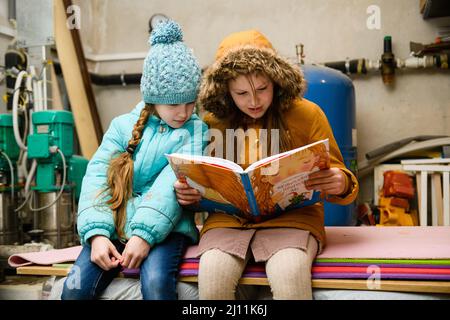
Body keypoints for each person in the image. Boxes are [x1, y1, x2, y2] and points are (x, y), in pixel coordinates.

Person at [174, 29, 359, 300]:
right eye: (241, 93)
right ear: (225, 90)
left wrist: (341, 182)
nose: (254, 101)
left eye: (262, 89)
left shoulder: (307, 114)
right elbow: (200, 180)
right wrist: (189, 196)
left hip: (293, 221)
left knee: (290, 274)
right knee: (212, 277)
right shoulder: (212, 122)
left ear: (276, 80)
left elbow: (341, 177)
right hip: (228, 222)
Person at [61, 20, 207, 300]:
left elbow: (169, 188)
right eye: (174, 104)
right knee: (73, 289)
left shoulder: (196, 132)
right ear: (152, 99)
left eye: (190, 103)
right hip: (113, 224)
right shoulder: (120, 127)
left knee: (155, 284)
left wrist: (142, 236)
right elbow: (97, 178)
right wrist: (97, 235)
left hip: (167, 228)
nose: (184, 112)